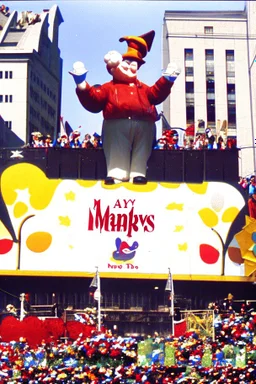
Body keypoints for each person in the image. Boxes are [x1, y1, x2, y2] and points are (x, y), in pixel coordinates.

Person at [69, 30, 180, 185]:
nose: (130, 67)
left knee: (142, 150)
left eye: (133, 65)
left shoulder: (143, 88)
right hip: (116, 124)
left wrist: (167, 80)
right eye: (127, 63)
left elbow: (156, 94)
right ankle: (116, 173)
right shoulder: (108, 87)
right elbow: (94, 101)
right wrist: (82, 84)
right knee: (116, 148)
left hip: (145, 125)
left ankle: (138, 173)